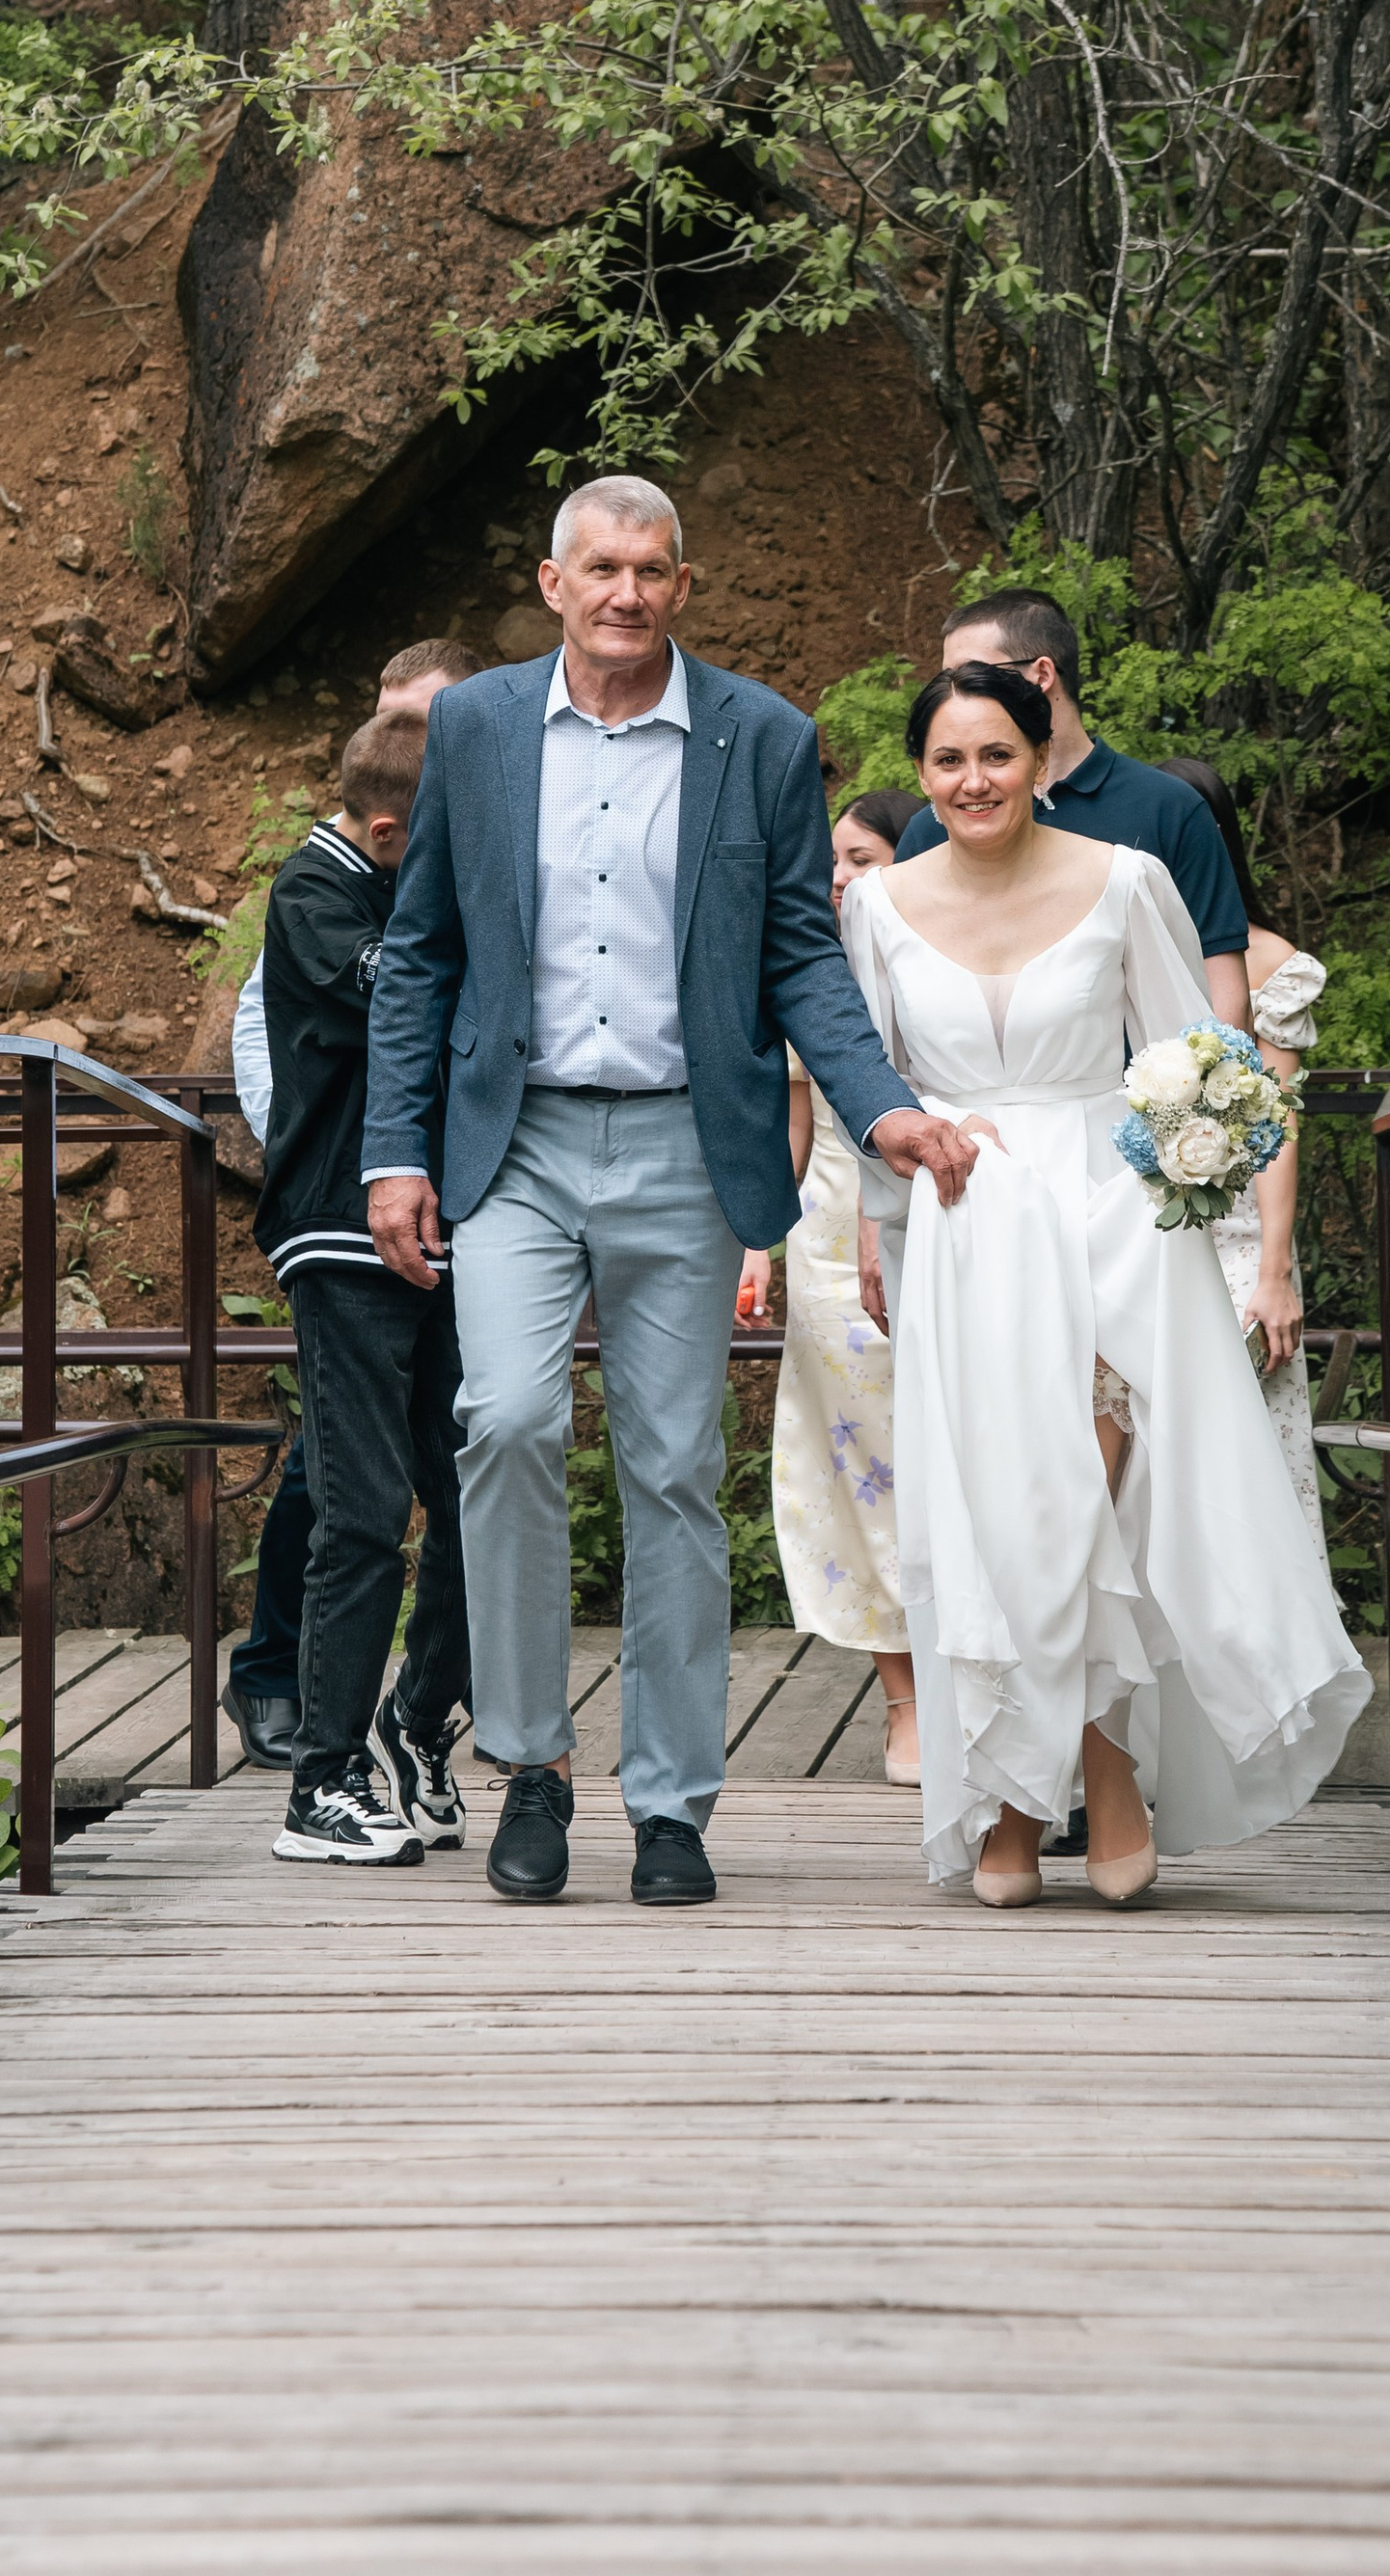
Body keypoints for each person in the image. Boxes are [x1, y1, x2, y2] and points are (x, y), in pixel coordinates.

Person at [363, 476, 982, 1912]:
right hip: (512, 1143)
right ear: (553, 583)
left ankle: (671, 1804)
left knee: (670, 1472)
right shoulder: (476, 727)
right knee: (504, 1420)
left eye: (652, 569)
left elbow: (798, 959)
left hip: (685, 1149)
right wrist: (397, 1151)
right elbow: (424, 950)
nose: (627, 592)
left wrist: (883, 1106)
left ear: (682, 588)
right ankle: (528, 1765)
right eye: (602, 570)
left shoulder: (762, 739)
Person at [842, 660, 1368, 1911]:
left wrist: (1195, 1180)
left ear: (1040, 760)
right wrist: (876, 1231)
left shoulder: (1126, 880)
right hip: (962, 1228)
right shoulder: (878, 907)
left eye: (998, 755)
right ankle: (1061, 1773)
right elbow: (869, 1085)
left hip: (1107, 1222)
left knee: (1084, 1494)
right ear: (923, 776)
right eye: (949, 761)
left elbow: (1199, 1061)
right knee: (993, 1507)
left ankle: (1059, 1790)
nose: (974, 781)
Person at [221, 634, 484, 1773]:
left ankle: (418, 1713)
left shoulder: (392, 869)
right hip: (340, 1215)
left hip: (448, 1216)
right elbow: (381, 998)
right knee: (353, 1502)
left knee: (473, 1483)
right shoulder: (319, 887)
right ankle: (316, 1748)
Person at [743, 787, 924, 1782]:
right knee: (857, 1466)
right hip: (821, 1237)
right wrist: (756, 1243)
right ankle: (902, 1702)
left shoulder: (949, 944)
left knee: (948, 1458)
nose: (842, 878)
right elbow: (793, 1115)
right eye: (834, 861)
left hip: (933, 1214)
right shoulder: (810, 961)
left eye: (863, 857)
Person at [894, 587, 1251, 1033]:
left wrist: (1206, 1095)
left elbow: (1224, 992)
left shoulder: (1168, 807)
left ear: (1042, 673)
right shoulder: (933, 826)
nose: (954, 693)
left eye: (970, 673)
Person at [1158, 755, 1328, 1550]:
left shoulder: (1268, 961)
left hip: (1232, 1236)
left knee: (1244, 1446)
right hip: (1135, 1222)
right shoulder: (1116, 941)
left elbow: (1279, 1123)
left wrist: (1273, 1272)